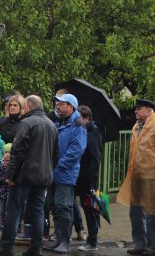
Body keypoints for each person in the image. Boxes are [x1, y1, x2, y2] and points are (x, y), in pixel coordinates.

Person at [0, 95, 58, 256]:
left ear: (30, 107)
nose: (23, 109)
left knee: (13, 210)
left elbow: (17, 151)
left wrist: (10, 176)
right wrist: (48, 171)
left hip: (24, 176)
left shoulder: (26, 123)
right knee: (37, 211)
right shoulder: (52, 125)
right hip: (43, 176)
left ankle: (6, 247)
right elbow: (55, 155)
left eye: (24, 106)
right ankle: (36, 248)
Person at [43, 93, 87, 254]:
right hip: (53, 171)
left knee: (64, 206)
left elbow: (76, 150)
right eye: (58, 103)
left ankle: (65, 242)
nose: (57, 106)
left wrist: (58, 166)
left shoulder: (78, 124)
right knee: (54, 206)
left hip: (65, 172)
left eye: (61, 104)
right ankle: (59, 240)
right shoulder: (59, 121)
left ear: (71, 106)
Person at [118, 98, 155, 255]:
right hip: (136, 174)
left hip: (151, 175)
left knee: (151, 212)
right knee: (135, 211)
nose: (135, 111)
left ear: (148, 109)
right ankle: (140, 244)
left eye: (138, 109)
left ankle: (152, 247)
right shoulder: (136, 127)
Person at [74, 105, 102, 251]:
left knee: (90, 210)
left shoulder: (93, 133)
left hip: (88, 179)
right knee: (77, 206)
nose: (76, 121)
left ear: (87, 118)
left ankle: (92, 241)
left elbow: (95, 159)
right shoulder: (81, 131)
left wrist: (91, 181)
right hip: (78, 176)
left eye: (79, 118)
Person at [0, 143, 12, 232]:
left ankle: (7, 226)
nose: (8, 154)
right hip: (0, 190)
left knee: (8, 209)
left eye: (10, 152)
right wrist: (4, 180)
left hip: (10, 191)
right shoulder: (0, 164)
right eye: (6, 152)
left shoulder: (13, 165)